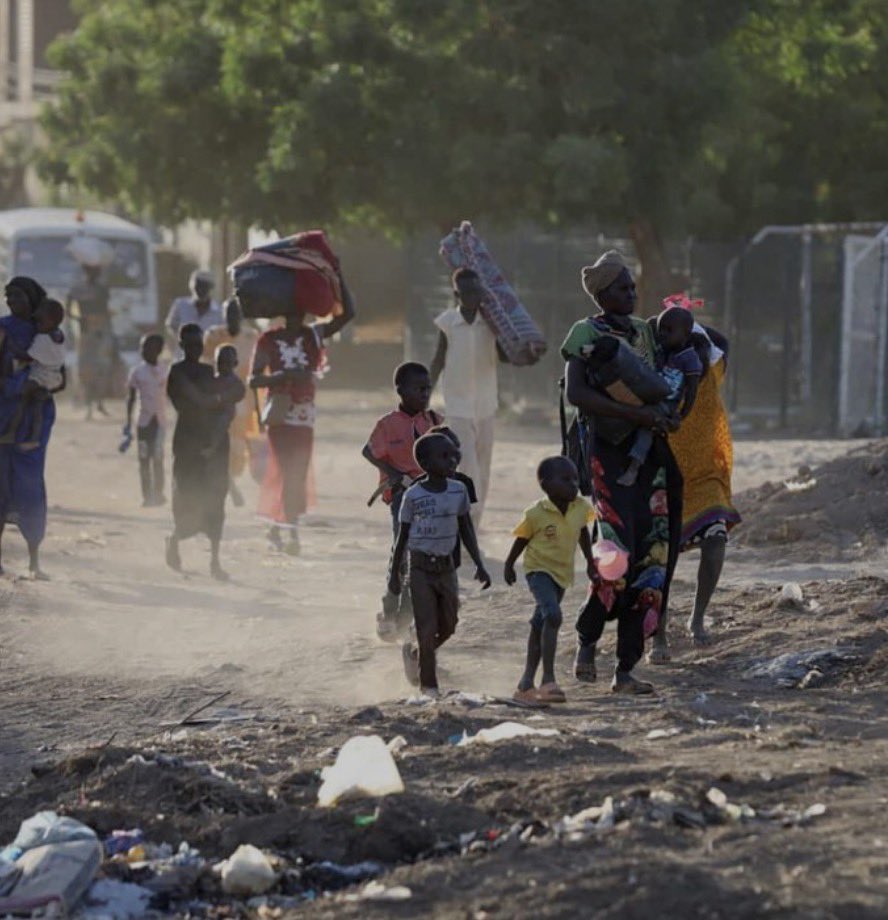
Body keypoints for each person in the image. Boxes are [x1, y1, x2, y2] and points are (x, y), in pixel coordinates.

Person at [562, 250, 683, 695]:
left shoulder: (645, 334)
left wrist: (660, 417)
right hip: (607, 454)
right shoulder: (585, 332)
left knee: (652, 560)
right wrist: (635, 416)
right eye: (622, 288)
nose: (631, 294)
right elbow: (577, 394)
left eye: (633, 287)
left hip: (649, 456)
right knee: (615, 557)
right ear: (601, 293)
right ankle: (587, 640)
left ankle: (626, 668)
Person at [651, 304, 741, 653]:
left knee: (716, 541)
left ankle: (697, 616)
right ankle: (657, 632)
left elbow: (721, 340)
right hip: (663, 472)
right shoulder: (658, 370)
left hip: (706, 475)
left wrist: (688, 320)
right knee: (661, 560)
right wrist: (669, 323)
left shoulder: (713, 366)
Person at [249, 272, 355, 554]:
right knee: (283, 469)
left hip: (304, 414)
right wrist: (283, 376)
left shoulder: (313, 335)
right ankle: (282, 529)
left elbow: (348, 315)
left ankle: (287, 529)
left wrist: (337, 273)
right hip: (281, 411)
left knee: (297, 472)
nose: (297, 314)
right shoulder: (268, 340)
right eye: (292, 309)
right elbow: (253, 379)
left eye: (302, 309)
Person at [389, 433, 491, 696]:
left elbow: (465, 527)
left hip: (446, 568)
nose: (452, 460)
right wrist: (394, 574)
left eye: (454, 455)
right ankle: (429, 686)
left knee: (449, 623)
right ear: (424, 462)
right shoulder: (413, 495)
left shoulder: (459, 490)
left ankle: (417, 654)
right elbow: (402, 535)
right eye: (444, 456)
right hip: (420, 568)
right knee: (426, 626)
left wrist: (479, 563)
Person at [504, 456, 596, 706]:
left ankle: (525, 684)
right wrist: (509, 563)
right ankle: (548, 680)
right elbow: (522, 539)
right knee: (553, 616)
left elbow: (583, 533)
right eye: (566, 479)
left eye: (575, 479)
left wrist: (590, 562)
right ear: (546, 485)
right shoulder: (536, 513)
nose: (574, 484)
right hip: (538, 571)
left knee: (540, 623)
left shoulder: (580, 507)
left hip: (562, 574)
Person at [363, 362, 441, 638]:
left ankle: (409, 615)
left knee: (423, 556)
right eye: (418, 388)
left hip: (431, 498)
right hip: (402, 498)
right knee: (401, 553)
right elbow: (368, 451)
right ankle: (389, 609)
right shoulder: (387, 425)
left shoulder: (433, 421)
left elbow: (448, 453)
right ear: (401, 390)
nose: (425, 393)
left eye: (428, 388)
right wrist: (395, 474)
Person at [165, 324, 244, 580]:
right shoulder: (177, 372)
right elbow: (200, 399)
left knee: (215, 499)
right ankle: (176, 539)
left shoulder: (208, 371)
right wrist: (219, 401)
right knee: (187, 495)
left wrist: (219, 401)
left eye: (198, 344)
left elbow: (237, 390)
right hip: (188, 442)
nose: (195, 349)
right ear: (182, 345)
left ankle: (214, 560)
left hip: (213, 444)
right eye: (190, 344)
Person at [430, 267, 506, 526]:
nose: (474, 296)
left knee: (484, 462)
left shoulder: (491, 323)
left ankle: (476, 517)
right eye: (468, 292)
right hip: (458, 403)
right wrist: (424, 394)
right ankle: (467, 515)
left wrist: (509, 334)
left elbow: (507, 355)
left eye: (477, 291)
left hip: (486, 402)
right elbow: (438, 359)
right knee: (468, 461)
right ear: (457, 294)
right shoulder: (448, 323)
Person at [0, 277, 63, 579]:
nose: (11, 302)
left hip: (33, 424)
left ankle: (34, 560)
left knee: (30, 487)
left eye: (17, 296)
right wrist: (17, 386)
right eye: (7, 296)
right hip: (3, 417)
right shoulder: (3, 328)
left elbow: (61, 378)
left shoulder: (49, 333)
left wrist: (37, 387)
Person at [618, 305, 703, 487]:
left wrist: (681, 415)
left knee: (647, 425)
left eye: (669, 330)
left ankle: (634, 466)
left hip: (666, 404)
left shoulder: (689, 358)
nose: (663, 334)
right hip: (650, 394)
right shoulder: (661, 351)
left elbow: (692, 390)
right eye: (661, 329)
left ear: (686, 333)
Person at [203, 297, 260, 506]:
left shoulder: (251, 337)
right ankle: (230, 488)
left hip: (245, 402)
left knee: (239, 452)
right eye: (228, 313)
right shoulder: (214, 336)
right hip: (220, 400)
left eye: (236, 313)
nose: (232, 317)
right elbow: (205, 367)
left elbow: (259, 370)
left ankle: (230, 483)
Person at [0, 299, 66, 451]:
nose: (37, 325)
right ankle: (28, 436)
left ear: (50, 321)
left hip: (41, 377)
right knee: (34, 405)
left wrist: (10, 344)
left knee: (22, 401)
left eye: (40, 322)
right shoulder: (59, 335)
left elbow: (26, 356)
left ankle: (18, 434)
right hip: (53, 377)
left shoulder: (43, 339)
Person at [124, 333, 168, 507]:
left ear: (157, 350)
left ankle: (158, 493)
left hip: (160, 422)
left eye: (147, 347)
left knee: (158, 458)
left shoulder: (165, 370)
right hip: (143, 422)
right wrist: (128, 422)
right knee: (144, 459)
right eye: (142, 348)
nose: (143, 351)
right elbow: (131, 398)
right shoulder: (137, 372)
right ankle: (146, 495)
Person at [67, 264, 116, 419]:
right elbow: (68, 310)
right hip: (88, 331)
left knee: (100, 367)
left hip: (98, 330)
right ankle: (88, 404)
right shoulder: (79, 289)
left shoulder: (100, 289)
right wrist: (79, 319)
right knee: (87, 368)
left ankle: (98, 403)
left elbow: (104, 310)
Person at [165, 270, 224, 356]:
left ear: (210, 288)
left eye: (204, 286)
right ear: (192, 287)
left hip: (207, 359)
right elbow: (171, 328)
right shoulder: (180, 305)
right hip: (183, 357)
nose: (200, 290)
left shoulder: (219, 311)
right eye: (198, 286)